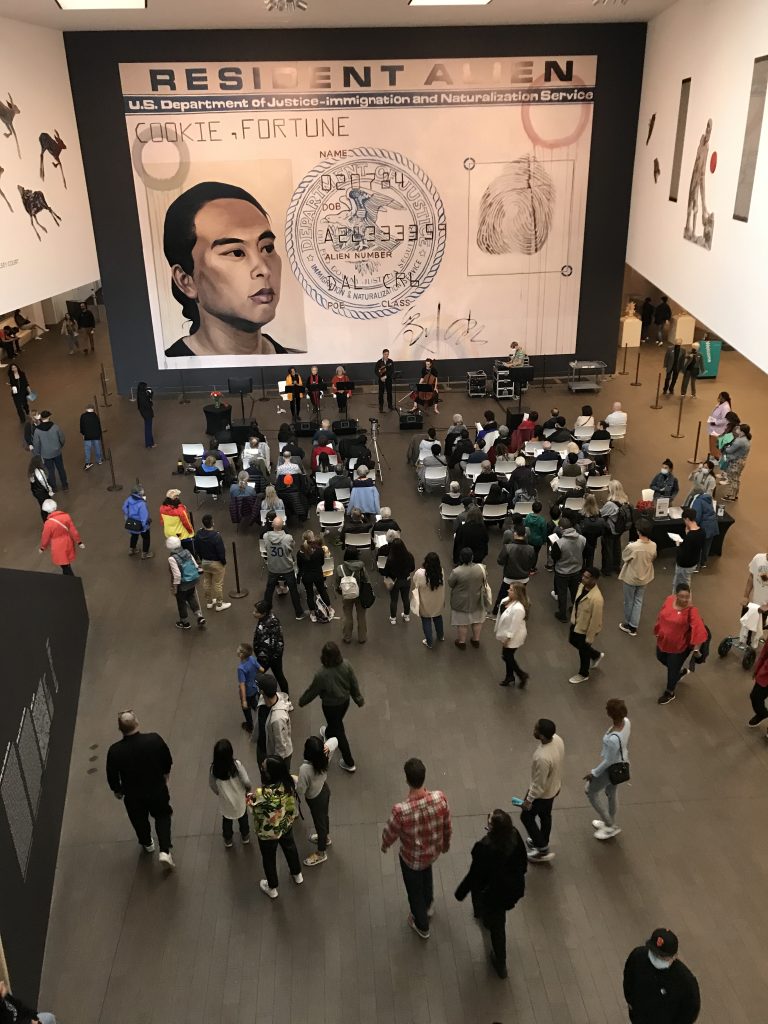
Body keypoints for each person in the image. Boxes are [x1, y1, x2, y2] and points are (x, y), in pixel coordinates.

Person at [162, 181, 296, 357]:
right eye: (236, 253)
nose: (263, 269)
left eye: (267, 248)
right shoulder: (173, 365)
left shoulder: (295, 362)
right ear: (185, 281)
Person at [381, 758, 451, 939]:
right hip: (432, 853)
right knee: (427, 876)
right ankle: (428, 906)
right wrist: (445, 844)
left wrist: (385, 844)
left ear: (407, 779)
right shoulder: (440, 798)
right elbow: (447, 825)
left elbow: (390, 832)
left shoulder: (401, 810)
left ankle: (422, 925)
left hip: (411, 859)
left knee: (414, 891)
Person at [454, 809, 527, 979]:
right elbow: (523, 863)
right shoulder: (514, 836)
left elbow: (475, 875)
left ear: (493, 828)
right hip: (511, 889)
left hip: (493, 893)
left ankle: (500, 963)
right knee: (497, 920)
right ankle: (488, 923)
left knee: (497, 926)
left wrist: (460, 892)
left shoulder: (485, 847)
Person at [106, 710, 175, 869]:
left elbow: (112, 774)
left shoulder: (114, 751)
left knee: (139, 820)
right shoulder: (154, 739)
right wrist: (165, 776)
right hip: (157, 788)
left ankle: (147, 843)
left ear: (120, 728)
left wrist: (117, 790)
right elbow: (167, 760)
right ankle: (164, 850)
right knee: (163, 816)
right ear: (137, 722)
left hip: (133, 795)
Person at [298, 640, 364, 772]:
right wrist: (358, 698)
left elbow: (312, 691)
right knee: (336, 723)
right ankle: (328, 732)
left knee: (339, 730)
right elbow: (354, 683)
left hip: (330, 706)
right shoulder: (346, 665)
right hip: (344, 702)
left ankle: (349, 762)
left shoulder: (322, 674)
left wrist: (302, 701)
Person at [623, 929, 701, 1024]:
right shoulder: (638, 956)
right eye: (654, 953)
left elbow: (690, 1011)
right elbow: (628, 979)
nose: (657, 958)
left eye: (662, 957)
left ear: (674, 956)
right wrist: (630, 1002)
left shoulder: (686, 982)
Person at [251, 756, 302, 898]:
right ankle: (297, 873)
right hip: (286, 824)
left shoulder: (262, 794)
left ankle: (272, 887)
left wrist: (250, 800)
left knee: (269, 858)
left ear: (268, 774)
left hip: (268, 833)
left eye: (264, 767)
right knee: (290, 847)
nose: (262, 767)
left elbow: (254, 808)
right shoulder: (290, 782)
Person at [583, 698, 630, 840]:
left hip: (610, 769)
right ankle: (610, 821)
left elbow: (608, 761)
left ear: (610, 714)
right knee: (611, 792)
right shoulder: (626, 722)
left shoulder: (613, 739)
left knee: (590, 791)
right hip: (622, 764)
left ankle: (609, 825)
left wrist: (593, 773)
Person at [653, 584, 708, 705]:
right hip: (663, 641)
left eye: (687, 597)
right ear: (676, 595)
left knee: (672, 671)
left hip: (679, 647)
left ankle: (670, 692)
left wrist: (696, 649)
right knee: (660, 657)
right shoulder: (669, 600)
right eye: (681, 596)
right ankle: (679, 671)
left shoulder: (691, 611)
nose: (684, 600)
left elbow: (699, 629)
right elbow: (661, 615)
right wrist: (658, 630)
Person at [520, 719, 564, 863]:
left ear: (543, 736)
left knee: (526, 817)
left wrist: (528, 800)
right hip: (554, 787)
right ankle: (541, 840)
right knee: (545, 816)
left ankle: (542, 849)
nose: (533, 730)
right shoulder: (557, 740)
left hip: (543, 794)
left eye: (536, 729)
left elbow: (538, 785)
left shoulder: (542, 758)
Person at [298, 734, 339, 866]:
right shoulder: (325, 756)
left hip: (314, 798)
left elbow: (301, 790)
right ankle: (325, 838)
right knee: (323, 817)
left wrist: (294, 781)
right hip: (324, 790)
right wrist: (327, 747)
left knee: (319, 822)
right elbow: (335, 740)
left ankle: (321, 852)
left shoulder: (304, 769)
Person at [209, 738, 252, 848]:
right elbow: (246, 781)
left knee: (227, 820)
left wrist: (219, 793)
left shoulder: (214, 769)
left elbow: (212, 785)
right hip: (239, 799)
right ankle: (245, 836)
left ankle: (228, 839)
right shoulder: (236, 766)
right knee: (243, 817)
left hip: (225, 801)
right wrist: (248, 789)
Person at [618, 519, 656, 635]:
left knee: (629, 601)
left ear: (638, 531)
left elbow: (624, 557)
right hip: (644, 577)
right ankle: (634, 625)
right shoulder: (653, 545)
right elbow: (653, 557)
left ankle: (628, 624)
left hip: (631, 577)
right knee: (638, 600)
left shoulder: (633, 547)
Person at [263, 515, 304, 619]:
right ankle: (298, 613)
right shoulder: (287, 538)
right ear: (283, 525)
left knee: (269, 590)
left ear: (272, 525)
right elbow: (291, 548)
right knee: (293, 590)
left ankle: (265, 612)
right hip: (286, 567)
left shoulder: (266, 536)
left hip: (273, 567)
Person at [448, 546, 490, 650]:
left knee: (462, 623)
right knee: (477, 621)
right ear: (472, 557)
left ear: (461, 558)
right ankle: (476, 640)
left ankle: (461, 642)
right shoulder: (481, 568)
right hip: (477, 599)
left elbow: (451, 583)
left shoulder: (456, 571)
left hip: (461, 602)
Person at [568, 567, 605, 684]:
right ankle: (595, 655)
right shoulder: (582, 586)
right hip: (577, 623)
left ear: (594, 580)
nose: (583, 578)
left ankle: (584, 673)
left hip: (585, 629)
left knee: (583, 651)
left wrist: (590, 637)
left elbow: (596, 620)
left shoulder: (597, 599)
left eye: (586, 577)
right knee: (572, 640)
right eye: (583, 576)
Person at [493, 521, 534, 612]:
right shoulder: (531, 549)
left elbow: (500, 561)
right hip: (524, 578)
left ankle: (496, 611)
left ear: (515, 533)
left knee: (503, 595)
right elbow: (532, 563)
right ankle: (522, 610)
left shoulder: (508, 547)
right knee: (520, 595)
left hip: (509, 577)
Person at [166, 536, 205, 629]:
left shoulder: (172, 558)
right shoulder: (187, 552)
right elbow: (196, 565)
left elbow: (177, 575)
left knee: (181, 602)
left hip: (182, 584)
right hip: (192, 580)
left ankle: (184, 622)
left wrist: (175, 587)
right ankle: (199, 615)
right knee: (191, 596)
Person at [551, 516, 586, 622]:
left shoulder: (559, 543)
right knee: (575, 591)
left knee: (562, 593)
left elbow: (555, 557)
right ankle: (575, 610)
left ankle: (562, 614)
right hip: (576, 570)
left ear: (561, 528)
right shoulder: (582, 539)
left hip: (562, 571)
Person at [495, 582, 530, 687]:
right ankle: (510, 676)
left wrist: (507, 639)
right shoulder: (507, 600)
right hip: (506, 632)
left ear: (517, 593)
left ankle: (521, 675)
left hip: (514, 635)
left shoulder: (519, 609)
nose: (508, 591)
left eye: (511, 590)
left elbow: (514, 626)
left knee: (507, 656)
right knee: (507, 656)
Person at [253, 677, 293, 769]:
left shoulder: (278, 719)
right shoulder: (263, 699)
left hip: (274, 756)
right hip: (263, 747)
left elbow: (281, 747)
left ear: (262, 691)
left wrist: (272, 766)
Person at [194, 513, 231, 612]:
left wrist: (202, 559)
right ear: (212, 523)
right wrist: (223, 562)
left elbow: (196, 548)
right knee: (218, 584)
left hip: (205, 562)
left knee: (207, 581)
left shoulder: (198, 534)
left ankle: (209, 602)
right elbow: (221, 551)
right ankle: (219, 604)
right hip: (216, 563)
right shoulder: (216, 536)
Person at [252, 600, 290, 692]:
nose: (253, 613)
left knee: (254, 676)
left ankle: (257, 696)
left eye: (256, 612)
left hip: (266, 658)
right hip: (276, 654)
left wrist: (262, 660)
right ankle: (286, 697)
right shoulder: (272, 618)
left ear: (263, 613)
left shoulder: (265, 626)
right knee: (279, 675)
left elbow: (266, 646)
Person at [39, 500, 83, 576]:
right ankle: (67, 575)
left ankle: (69, 578)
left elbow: (45, 537)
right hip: (68, 541)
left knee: (64, 565)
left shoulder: (48, 523)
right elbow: (73, 530)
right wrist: (79, 542)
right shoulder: (66, 516)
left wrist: (42, 547)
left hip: (58, 545)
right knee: (67, 561)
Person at [336, 548, 369, 644]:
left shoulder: (340, 568)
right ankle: (362, 637)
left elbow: (337, 583)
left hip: (346, 594)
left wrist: (340, 592)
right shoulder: (361, 567)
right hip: (360, 594)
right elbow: (367, 580)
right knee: (361, 616)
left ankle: (347, 637)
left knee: (347, 615)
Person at [296, 530, 333, 619]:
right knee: (322, 591)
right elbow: (321, 563)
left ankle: (312, 614)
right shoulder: (319, 550)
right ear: (312, 538)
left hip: (306, 576)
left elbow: (299, 566)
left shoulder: (300, 553)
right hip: (318, 574)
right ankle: (330, 609)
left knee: (309, 594)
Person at [412, 551, 445, 649]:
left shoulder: (420, 573)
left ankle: (429, 642)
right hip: (438, 601)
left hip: (425, 602)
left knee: (426, 620)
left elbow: (415, 582)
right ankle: (441, 636)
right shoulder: (441, 571)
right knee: (438, 617)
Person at [600, 480, 631, 575]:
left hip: (611, 530)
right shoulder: (625, 501)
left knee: (607, 550)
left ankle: (607, 569)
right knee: (617, 547)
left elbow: (601, 514)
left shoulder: (610, 504)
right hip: (620, 529)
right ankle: (616, 566)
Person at [383, 537, 416, 625]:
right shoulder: (409, 556)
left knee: (394, 600)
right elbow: (412, 568)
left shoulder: (390, 559)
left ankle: (393, 618)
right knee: (405, 598)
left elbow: (385, 571)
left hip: (395, 582)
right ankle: (406, 615)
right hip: (406, 580)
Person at [33, 410, 68, 490]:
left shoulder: (37, 431)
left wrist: (38, 454)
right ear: (49, 417)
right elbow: (62, 438)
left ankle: (54, 487)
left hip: (46, 455)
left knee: (50, 471)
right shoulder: (55, 427)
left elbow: (36, 444)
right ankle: (65, 485)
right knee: (61, 468)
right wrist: (60, 446)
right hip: (57, 452)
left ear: (41, 418)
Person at [671, 507, 704, 592]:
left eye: (684, 520)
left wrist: (678, 545)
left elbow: (683, 554)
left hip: (684, 565)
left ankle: (678, 601)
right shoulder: (702, 531)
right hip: (694, 562)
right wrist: (687, 534)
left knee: (681, 585)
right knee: (686, 581)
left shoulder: (690, 536)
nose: (684, 522)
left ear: (687, 519)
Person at [721, 422, 751, 500]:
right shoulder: (745, 439)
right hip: (740, 461)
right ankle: (734, 494)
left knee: (733, 479)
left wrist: (726, 447)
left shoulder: (740, 441)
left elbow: (729, 450)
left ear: (742, 432)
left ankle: (731, 496)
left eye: (739, 429)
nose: (737, 429)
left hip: (736, 462)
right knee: (736, 478)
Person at [236, 642, 263, 732]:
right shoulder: (251, 658)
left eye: (239, 650)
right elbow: (261, 669)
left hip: (247, 692)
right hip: (254, 688)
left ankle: (249, 725)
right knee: (253, 701)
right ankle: (261, 711)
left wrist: (244, 700)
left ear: (241, 655)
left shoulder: (241, 668)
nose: (237, 650)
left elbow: (242, 684)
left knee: (246, 709)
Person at [688, 490, 718, 569]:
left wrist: (691, 526)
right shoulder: (708, 498)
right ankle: (703, 563)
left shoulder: (698, 501)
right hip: (712, 526)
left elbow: (697, 517)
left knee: (698, 547)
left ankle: (696, 566)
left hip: (704, 528)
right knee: (707, 546)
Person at [122, 484, 153, 559]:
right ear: (138, 493)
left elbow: (124, 508)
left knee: (134, 536)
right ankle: (145, 554)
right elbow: (144, 516)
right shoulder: (141, 504)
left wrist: (129, 516)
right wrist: (144, 525)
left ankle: (132, 549)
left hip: (131, 522)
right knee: (146, 538)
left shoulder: (129, 499)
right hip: (141, 525)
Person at [579, 493, 607, 569]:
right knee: (590, 557)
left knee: (582, 556)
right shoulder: (598, 513)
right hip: (593, 539)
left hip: (583, 539)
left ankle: (582, 570)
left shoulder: (581, 513)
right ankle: (589, 572)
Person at [748, 641, 768, 730]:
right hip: (766, 675)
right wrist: (757, 669)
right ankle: (762, 714)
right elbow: (764, 653)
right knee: (755, 696)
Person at [77, 402, 103, 469]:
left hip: (87, 436)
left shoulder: (83, 416)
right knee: (97, 447)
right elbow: (98, 426)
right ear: (93, 409)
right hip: (96, 435)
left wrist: (83, 434)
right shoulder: (95, 416)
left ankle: (87, 463)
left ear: (86, 409)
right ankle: (99, 460)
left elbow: (81, 426)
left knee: (87, 449)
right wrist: (99, 434)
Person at [707, 391, 732, 458]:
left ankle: (716, 457)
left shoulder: (726, 407)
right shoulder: (720, 404)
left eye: (720, 397)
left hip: (718, 430)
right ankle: (713, 455)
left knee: (715, 444)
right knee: (711, 443)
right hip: (713, 428)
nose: (719, 398)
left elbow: (725, 420)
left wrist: (715, 422)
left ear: (724, 398)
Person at [28, 454, 53, 521]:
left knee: (42, 506)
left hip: (36, 492)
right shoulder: (40, 471)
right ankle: (49, 519)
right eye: (42, 459)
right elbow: (44, 482)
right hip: (42, 492)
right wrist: (49, 490)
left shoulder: (32, 471)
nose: (43, 460)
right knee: (47, 505)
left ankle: (45, 520)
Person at [524, 501, 548, 569]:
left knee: (528, 552)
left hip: (528, 538)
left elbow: (525, 526)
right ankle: (532, 568)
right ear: (540, 510)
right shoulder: (542, 520)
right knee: (535, 553)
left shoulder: (528, 516)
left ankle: (526, 565)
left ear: (532, 508)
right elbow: (544, 532)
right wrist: (544, 540)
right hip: (538, 541)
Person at [136, 381, 155, 448]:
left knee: (148, 428)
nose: (146, 388)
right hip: (147, 414)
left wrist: (150, 395)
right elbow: (149, 404)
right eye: (145, 387)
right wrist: (150, 398)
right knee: (148, 429)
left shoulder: (140, 394)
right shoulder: (143, 396)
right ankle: (149, 444)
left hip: (144, 414)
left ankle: (150, 443)